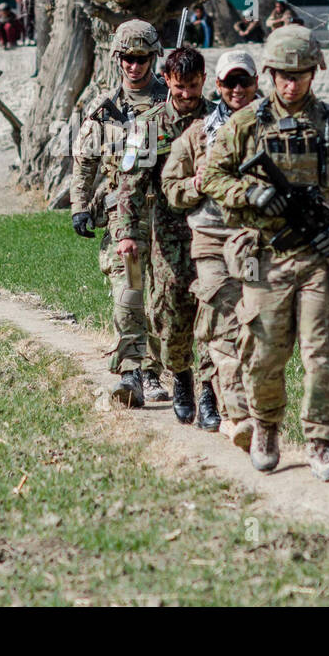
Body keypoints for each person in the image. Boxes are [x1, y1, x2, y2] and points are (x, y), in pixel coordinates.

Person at [203, 25, 329, 482]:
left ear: (313, 72)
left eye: (300, 73)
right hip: (265, 258)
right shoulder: (245, 125)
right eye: (283, 74)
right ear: (271, 73)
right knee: (262, 354)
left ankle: (323, 442)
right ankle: (265, 429)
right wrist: (250, 195)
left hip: (321, 260)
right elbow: (211, 177)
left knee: (323, 354)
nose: (291, 83)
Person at [162, 49, 261, 448]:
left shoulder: (276, 128)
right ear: (217, 86)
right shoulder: (199, 133)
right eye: (229, 82)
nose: (237, 89)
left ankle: (251, 405)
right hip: (211, 238)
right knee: (220, 318)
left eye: (244, 81)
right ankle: (228, 409)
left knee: (258, 324)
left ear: (256, 83)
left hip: (258, 240)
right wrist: (196, 186)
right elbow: (171, 187)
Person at [114, 45, 218, 428]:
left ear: (203, 80)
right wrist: (127, 233)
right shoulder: (148, 125)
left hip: (214, 228)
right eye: (179, 88)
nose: (187, 95)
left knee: (213, 308)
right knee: (172, 310)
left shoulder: (218, 120)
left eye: (193, 86)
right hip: (169, 231)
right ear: (168, 82)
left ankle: (209, 391)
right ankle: (182, 378)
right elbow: (131, 182)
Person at [71, 19, 170, 409]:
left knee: (160, 299)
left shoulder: (171, 102)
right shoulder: (105, 108)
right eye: (127, 58)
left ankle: (154, 369)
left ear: (153, 57)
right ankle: (130, 369)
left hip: (164, 214)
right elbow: (84, 161)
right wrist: (80, 207)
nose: (134, 66)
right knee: (127, 292)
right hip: (119, 217)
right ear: (117, 58)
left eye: (141, 58)